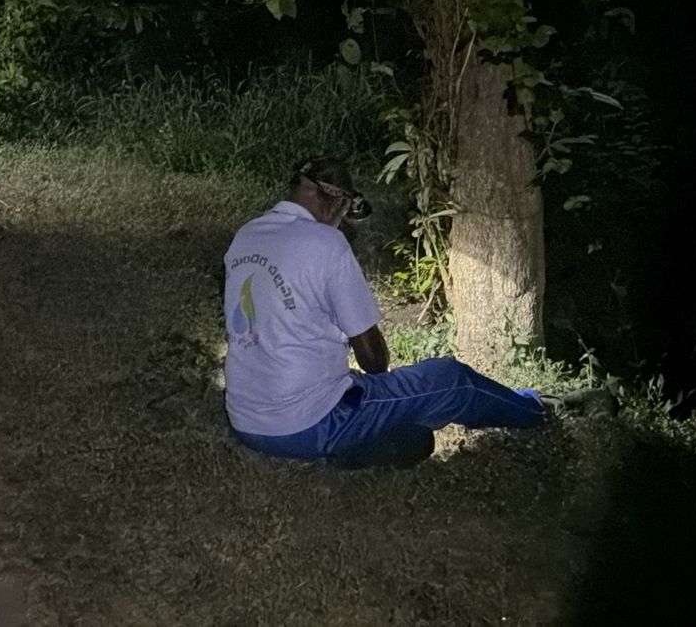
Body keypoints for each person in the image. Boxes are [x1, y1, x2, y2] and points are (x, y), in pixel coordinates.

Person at [223, 156, 611, 468]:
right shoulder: (327, 243)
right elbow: (373, 359)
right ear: (335, 201)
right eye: (343, 212)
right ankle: (542, 408)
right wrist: (381, 383)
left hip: (248, 422)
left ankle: (364, 446)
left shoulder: (247, 235)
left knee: (414, 437)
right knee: (451, 380)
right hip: (308, 423)